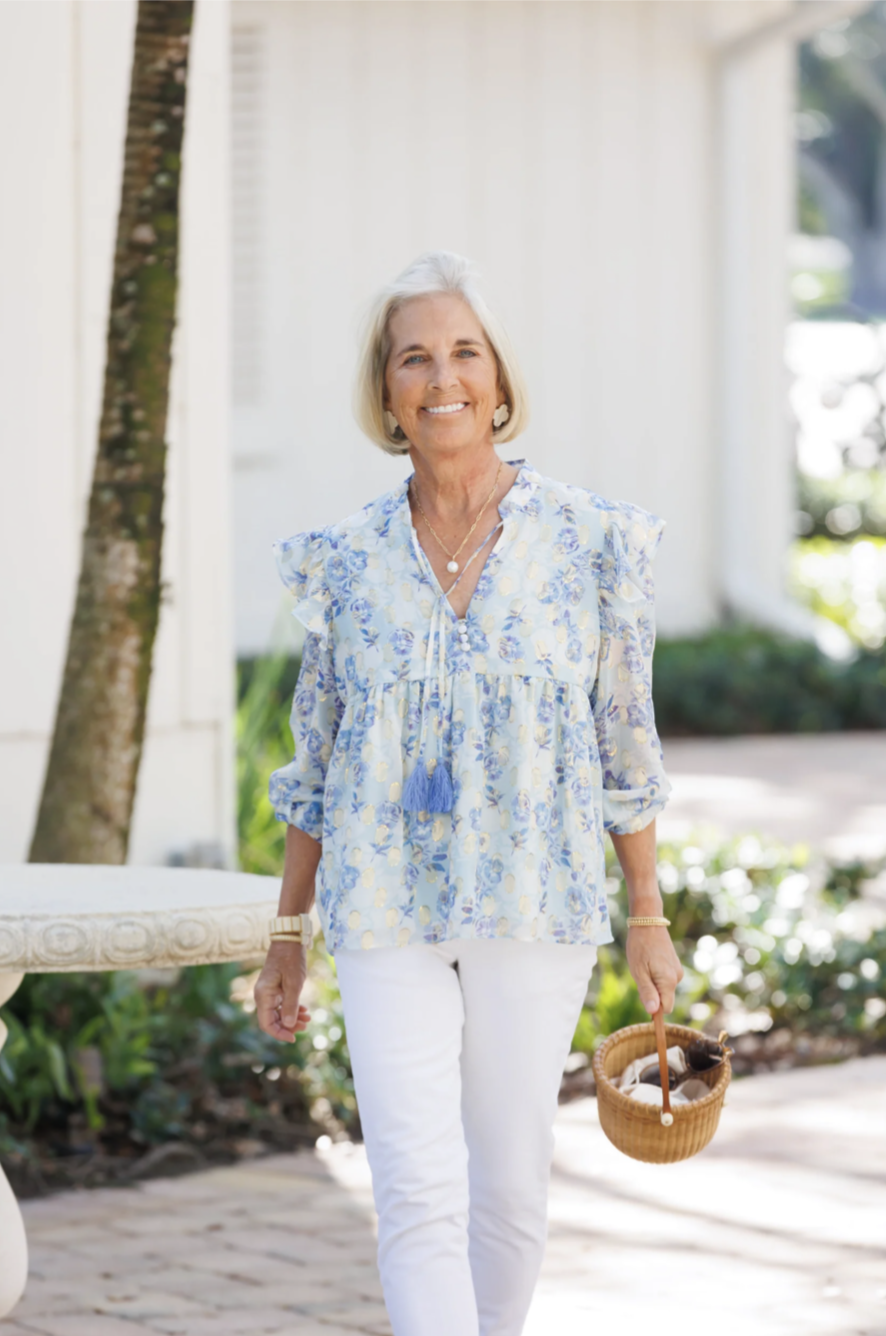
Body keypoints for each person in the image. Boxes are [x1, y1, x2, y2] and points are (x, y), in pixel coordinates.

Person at [254, 251, 682, 1336]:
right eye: (414, 357)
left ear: (497, 379)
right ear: (387, 391)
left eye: (462, 352)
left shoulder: (590, 541)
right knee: (413, 1185)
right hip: (380, 900)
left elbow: (622, 738)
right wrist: (287, 933)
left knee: (508, 1184)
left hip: (533, 900)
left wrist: (646, 911)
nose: (441, 376)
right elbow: (315, 755)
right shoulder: (345, 558)